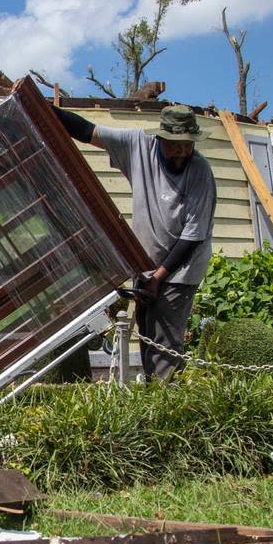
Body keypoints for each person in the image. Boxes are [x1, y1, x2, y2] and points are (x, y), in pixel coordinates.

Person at [53, 103, 217, 381]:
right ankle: (156, 393)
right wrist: (48, 109)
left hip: (180, 271)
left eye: (187, 145)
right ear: (161, 137)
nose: (181, 152)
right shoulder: (139, 146)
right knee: (147, 333)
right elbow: (88, 131)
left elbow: (193, 236)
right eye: (175, 144)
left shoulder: (199, 170)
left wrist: (159, 277)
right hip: (146, 266)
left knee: (164, 341)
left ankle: (168, 400)